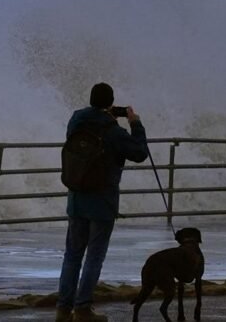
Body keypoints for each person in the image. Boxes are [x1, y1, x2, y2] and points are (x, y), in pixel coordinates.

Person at [56, 83, 149, 322]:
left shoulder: (76, 119)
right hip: (102, 201)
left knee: (72, 255)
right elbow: (139, 153)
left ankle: (63, 309)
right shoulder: (112, 130)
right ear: (110, 103)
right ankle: (83, 309)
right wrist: (135, 123)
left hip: (76, 197)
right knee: (94, 257)